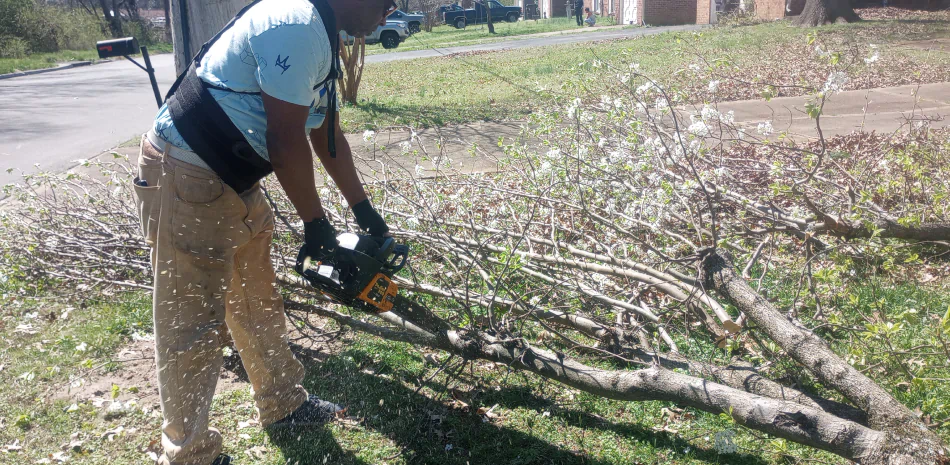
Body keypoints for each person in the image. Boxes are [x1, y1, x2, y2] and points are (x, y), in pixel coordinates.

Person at [133, 0, 397, 464]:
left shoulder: (323, 34)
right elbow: (285, 140)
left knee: (256, 300)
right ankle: (190, 453)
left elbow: (325, 131)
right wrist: (317, 226)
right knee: (192, 323)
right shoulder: (295, 25)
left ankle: (283, 405)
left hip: (233, 175)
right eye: (387, 2)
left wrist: (364, 211)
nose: (389, 14)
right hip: (187, 171)